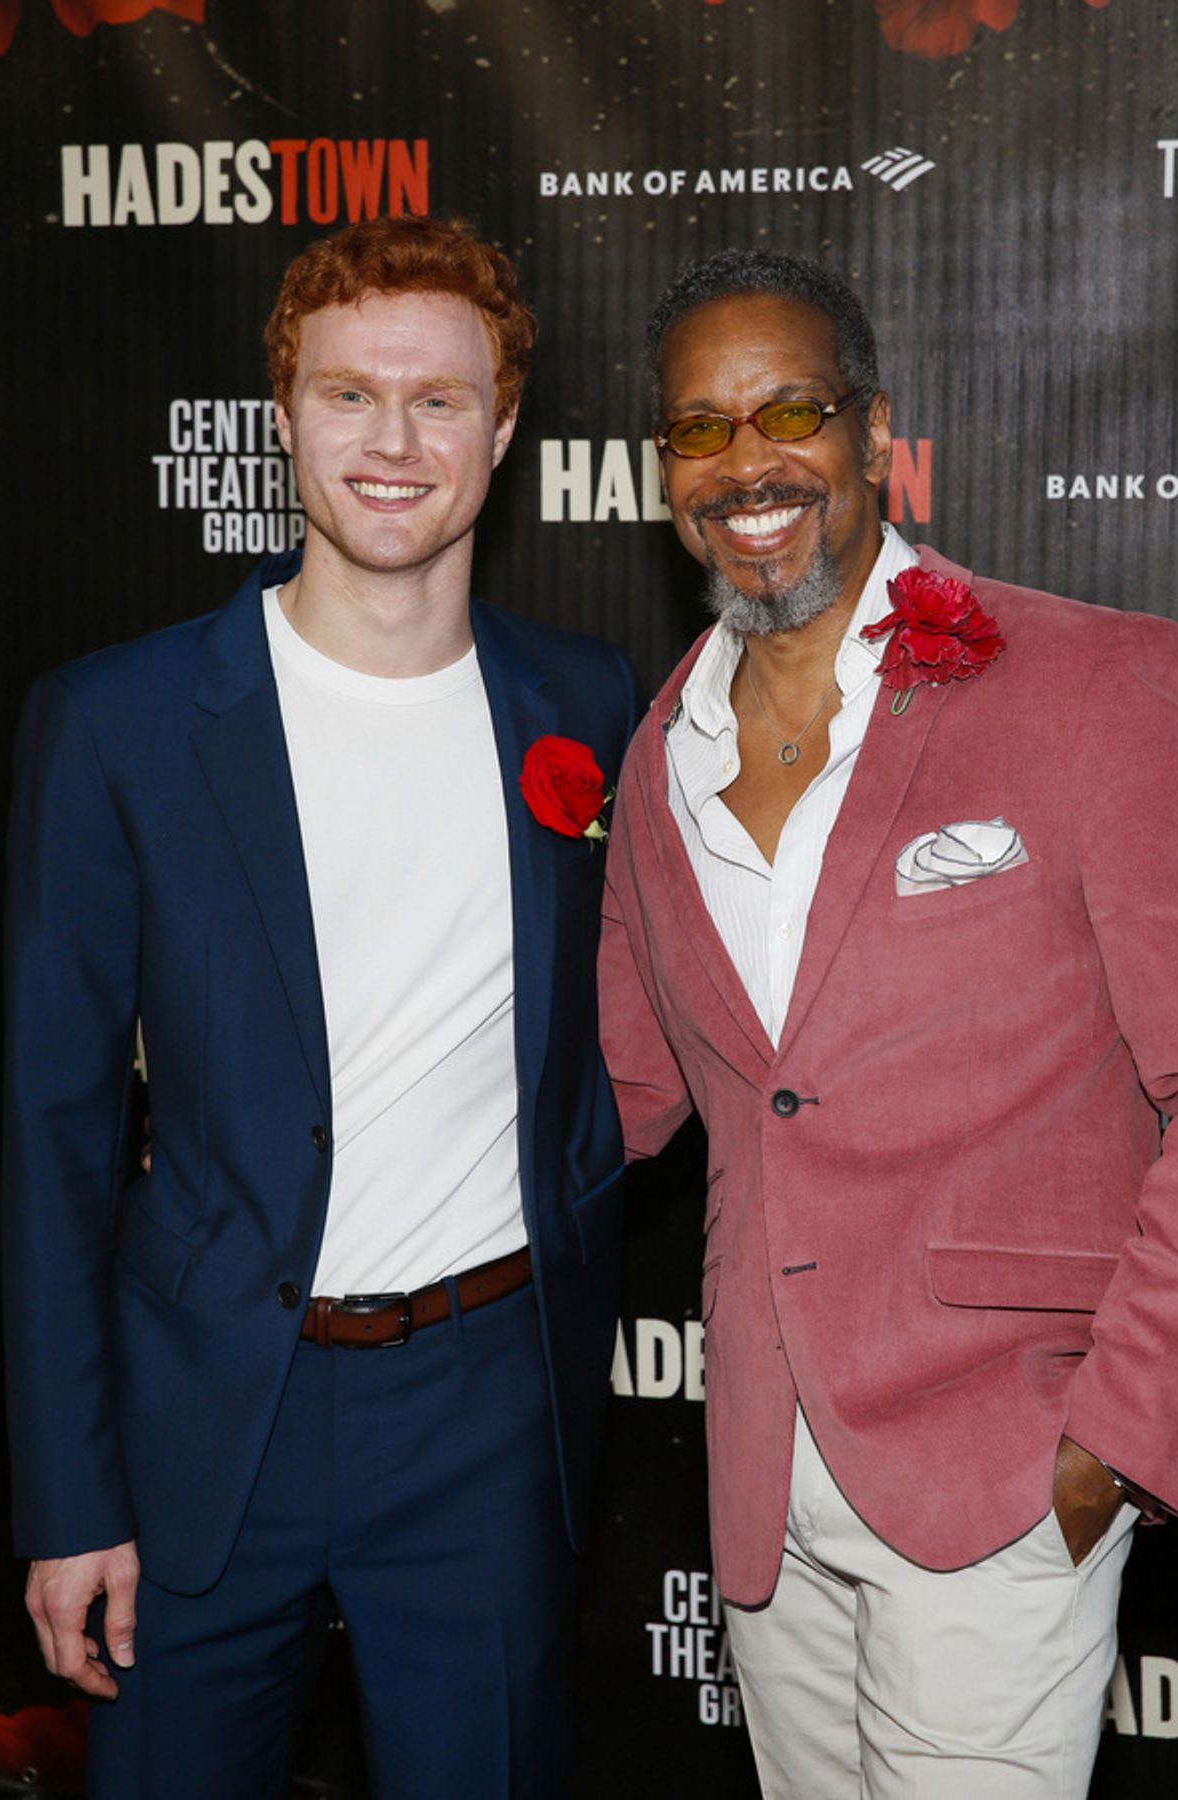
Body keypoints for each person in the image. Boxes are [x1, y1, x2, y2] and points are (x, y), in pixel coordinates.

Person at [2, 214, 640, 1799]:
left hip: (487, 1415)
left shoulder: (590, 705)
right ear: (283, 415)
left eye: (440, 399)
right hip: (205, 1414)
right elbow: (51, 1138)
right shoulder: (118, 722)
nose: (394, 440)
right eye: (350, 394)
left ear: (503, 429)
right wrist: (67, 1498)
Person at [598, 246, 1178, 1797]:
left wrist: (1115, 1435)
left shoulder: (1090, 685)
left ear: (874, 433)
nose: (747, 462)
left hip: (1003, 1470)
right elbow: (628, 1102)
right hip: (767, 1487)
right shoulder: (660, 751)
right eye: (701, 428)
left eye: (789, 408)